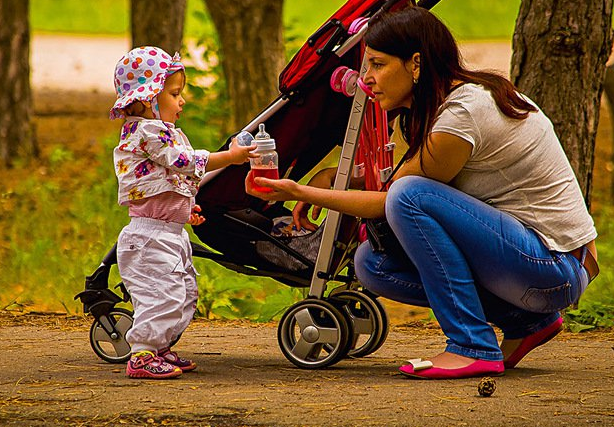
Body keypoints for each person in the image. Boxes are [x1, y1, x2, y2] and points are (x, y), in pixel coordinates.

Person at [245, 7, 599, 379]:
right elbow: (398, 185)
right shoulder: (443, 107)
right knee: (371, 264)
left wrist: (299, 189)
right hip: (534, 265)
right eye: (366, 66)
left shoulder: (463, 114)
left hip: (555, 266)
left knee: (409, 197)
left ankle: (472, 345)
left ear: (416, 64)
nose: (367, 79)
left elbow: (395, 198)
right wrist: (332, 179)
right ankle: (527, 322)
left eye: (378, 65)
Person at [110, 46, 257, 379]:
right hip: (148, 236)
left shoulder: (161, 133)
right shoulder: (147, 132)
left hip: (169, 232)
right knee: (161, 294)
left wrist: (185, 209)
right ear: (148, 99)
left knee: (182, 292)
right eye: (175, 93)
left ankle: (159, 347)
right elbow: (184, 162)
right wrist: (229, 158)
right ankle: (141, 354)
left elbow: (168, 180)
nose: (182, 101)